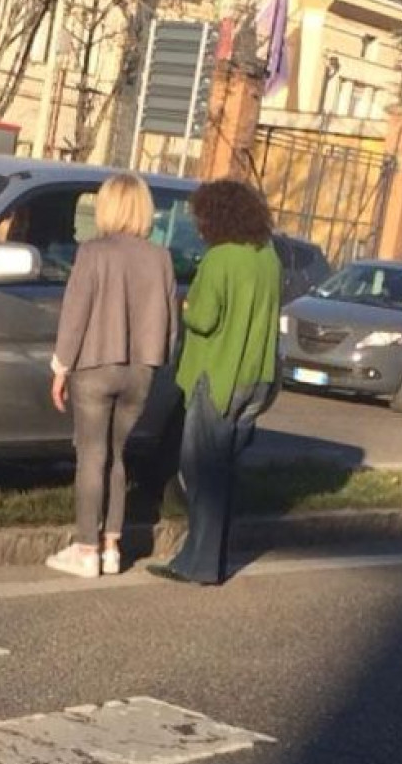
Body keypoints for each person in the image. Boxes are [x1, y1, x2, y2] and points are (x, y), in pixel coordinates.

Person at [45, 173, 179, 578]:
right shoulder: (161, 257)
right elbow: (171, 324)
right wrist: (161, 362)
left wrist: (60, 366)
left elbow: (75, 314)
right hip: (141, 370)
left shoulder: (93, 252)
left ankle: (86, 548)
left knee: (91, 455)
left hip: (94, 366)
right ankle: (111, 548)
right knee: (117, 456)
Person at [152, 178, 282, 586]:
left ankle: (198, 562)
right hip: (257, 376)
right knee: (223, 470)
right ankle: (211, 554)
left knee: (200, 469)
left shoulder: (219, 260)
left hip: (217, 375)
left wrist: (184, 305)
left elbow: (203, 318)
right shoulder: (268, 258)